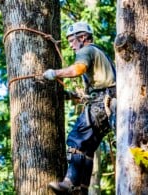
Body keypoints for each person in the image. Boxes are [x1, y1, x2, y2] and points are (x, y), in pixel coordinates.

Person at [43, 21, 116, 194]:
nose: (71, 45)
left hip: (101, 104)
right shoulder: (100, 55)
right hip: (108, 106)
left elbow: (78, 69)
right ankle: (81, 189)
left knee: (76, 140)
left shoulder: (87, 50)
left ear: (82, 37)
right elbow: (93, 91)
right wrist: (70, 95)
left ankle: (69, 184)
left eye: (72, 41)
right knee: (87, 149)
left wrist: (55, 73)